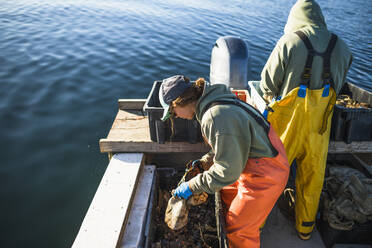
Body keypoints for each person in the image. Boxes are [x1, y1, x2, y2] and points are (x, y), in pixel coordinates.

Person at [159, 74, 290, 248]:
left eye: (172, 112)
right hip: (251, 162)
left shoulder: (214, 116)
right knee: (226, 192)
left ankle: (240, 229)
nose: (175, 116)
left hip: (267, 174)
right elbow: (231, 143)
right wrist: (206, 161)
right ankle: (238, 218)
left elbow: (227, 172)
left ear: (178, 102)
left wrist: (191, 186)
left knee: (239, 230)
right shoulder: (214, 100)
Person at [259, 0, 353, 240]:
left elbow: (266, 85)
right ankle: (305, 229)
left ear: (294, 19)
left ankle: (257, 224)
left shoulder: (289, 42)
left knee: (272, 173)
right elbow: (341, 85)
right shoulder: (342, 46)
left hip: (288, 127)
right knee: (312, 178)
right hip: (320, 128)